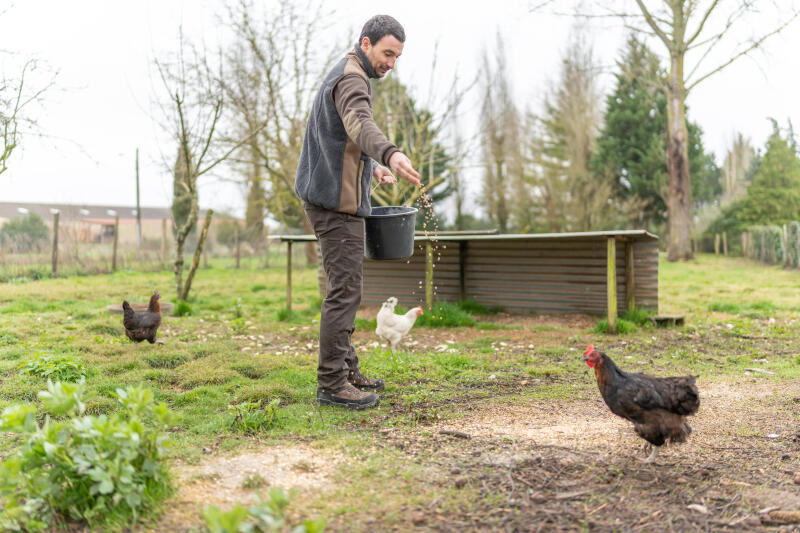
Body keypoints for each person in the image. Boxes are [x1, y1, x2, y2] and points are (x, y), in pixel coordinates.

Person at [295, 15, 421, 410]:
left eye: (397, 56)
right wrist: (390, 152)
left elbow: (344, 136)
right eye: (387, 53)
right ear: (366, 43)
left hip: (330, 196)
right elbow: (360, 123)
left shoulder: (346, 70)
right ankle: (332, 383)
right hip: (335, 206)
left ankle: (346, 368)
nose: (391, 63)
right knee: (344, 292)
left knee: (346, 288)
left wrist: (373, 166)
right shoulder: (353, 79)